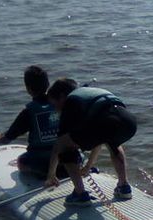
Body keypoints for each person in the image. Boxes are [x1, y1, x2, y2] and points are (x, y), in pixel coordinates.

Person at [44, 78, 138, 206]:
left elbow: (58, 146)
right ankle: (124, 187)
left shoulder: (71, 102)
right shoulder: (87, 93)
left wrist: (51, 175)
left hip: (105, 120)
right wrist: (88, 166)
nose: (55, 109)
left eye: (54, 104)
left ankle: (80, 194)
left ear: (61, 97)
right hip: (128, 121)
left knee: (65, 147)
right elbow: (99, 139)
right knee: (112, 142)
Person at [0, 65, 61, 179]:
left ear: (28, 88)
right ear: (48, 84)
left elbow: (6, 139)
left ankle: (43, 175)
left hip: (43, 164)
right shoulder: (62, 103)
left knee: (21, 161)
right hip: (67, 160)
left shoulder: (28, 112)